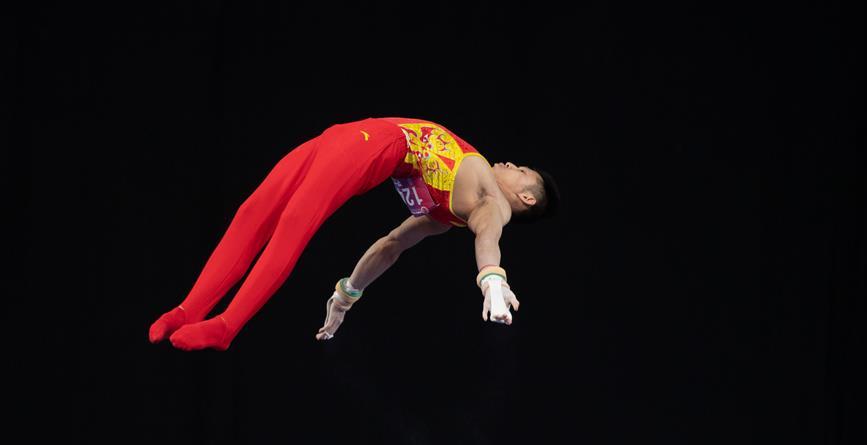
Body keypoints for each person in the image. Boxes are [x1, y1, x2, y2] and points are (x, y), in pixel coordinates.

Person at [148, 116, 560, 350]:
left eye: (520, 170)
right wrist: (346, 295)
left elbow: (487, 237)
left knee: (293, 221)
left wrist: (491, 280)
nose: (508, 163)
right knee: (254, 211)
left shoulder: (494, 203)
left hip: (371, 146)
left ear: (524, 196)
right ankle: (187, 310)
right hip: (346, 136)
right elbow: (390, 246)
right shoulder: (443, 214)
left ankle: (227, 326)